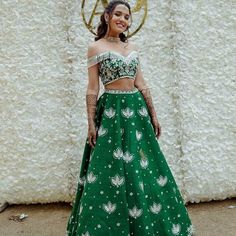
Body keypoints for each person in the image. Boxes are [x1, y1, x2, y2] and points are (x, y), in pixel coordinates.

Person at [66, 0, 196, 235]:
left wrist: (153, 115)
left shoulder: (132, 48)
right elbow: (93, 88)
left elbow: (142, 84)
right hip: (111, 112)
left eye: (127, 17)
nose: (122, 20)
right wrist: (90, 122)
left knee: (143, 165)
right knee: (109, 166)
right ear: (106, 16)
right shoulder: (96, 48)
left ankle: (147, 224)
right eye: (118, 14)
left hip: (136, 111)